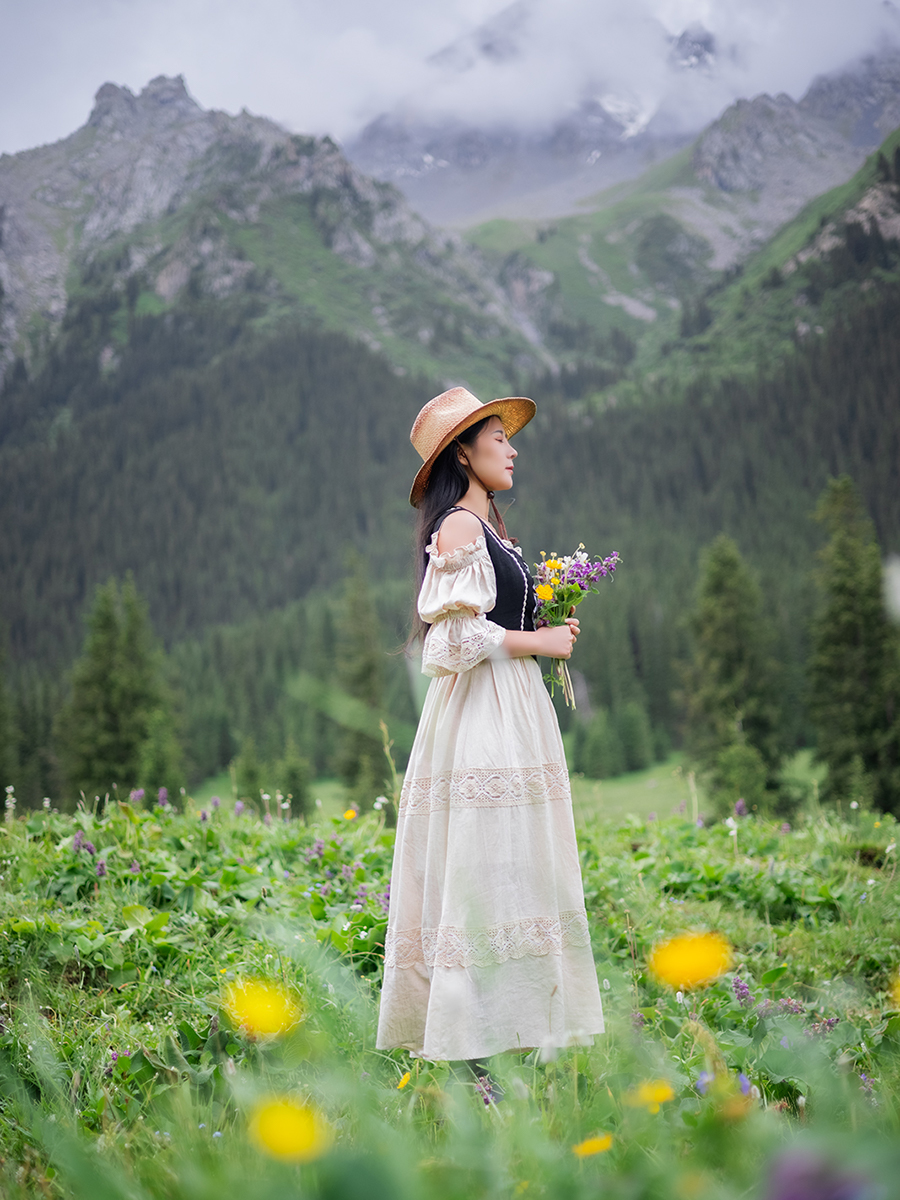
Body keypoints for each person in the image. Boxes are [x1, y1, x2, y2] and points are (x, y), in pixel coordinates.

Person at [375, 386, 604, 1082]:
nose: (512, 447)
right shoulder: (460, 530)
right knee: (486, 866)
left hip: (505, 708)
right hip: (481, 717)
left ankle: (504, 1045)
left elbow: (480, 627)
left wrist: (543, 632)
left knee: (511, 866)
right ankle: (479, 1060)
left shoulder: (485, 530)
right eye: (498, 437)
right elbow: (450, 645)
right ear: (464, 454)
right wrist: (541, 642)